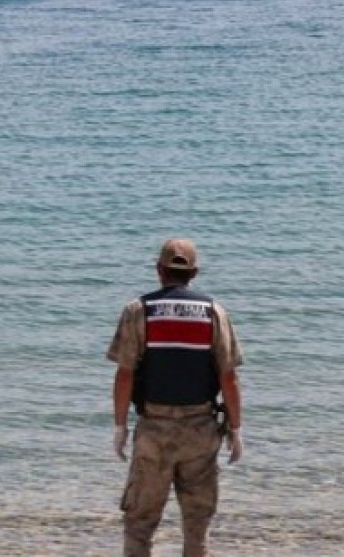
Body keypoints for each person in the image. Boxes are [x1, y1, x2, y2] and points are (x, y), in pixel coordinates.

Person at [106, 238, 244, 557]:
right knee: (197, 527)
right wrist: (236, 430)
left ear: (159, 270)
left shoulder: (139, 310)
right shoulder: (213, 312)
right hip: (200, 428)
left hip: (154, 428)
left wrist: (120, 427)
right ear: (194, 273)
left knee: (140, 523)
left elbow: (125, 374)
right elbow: (228, 377)